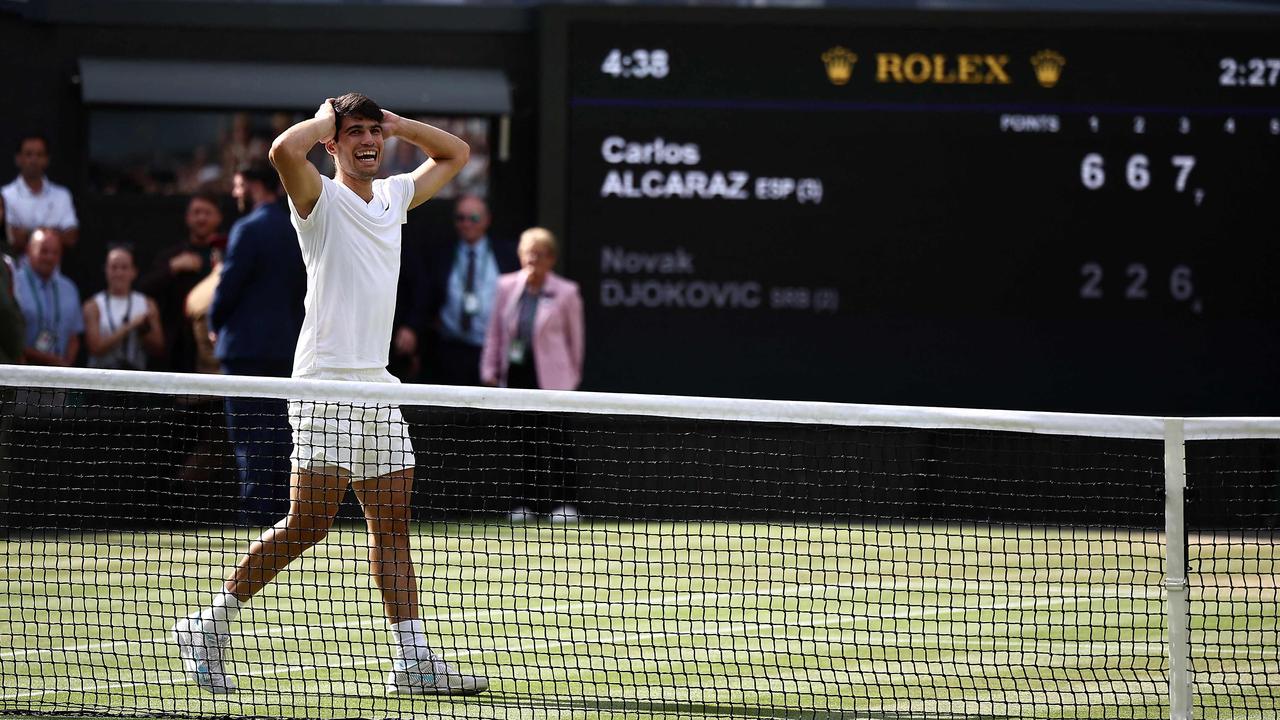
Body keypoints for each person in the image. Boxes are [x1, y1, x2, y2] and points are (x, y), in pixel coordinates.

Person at [172, 93, 484, 696]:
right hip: (324, 381)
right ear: (333, 145)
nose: (369, 141)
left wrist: (392, 124)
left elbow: (457, 152)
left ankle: (413, 659)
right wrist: (328, 120)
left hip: (377, 384)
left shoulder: (395, 196)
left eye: (375, 133)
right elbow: (283, 149)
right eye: (355, 134)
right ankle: (207, 624)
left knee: (391, 523)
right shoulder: (315, 198)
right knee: (308, 523)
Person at [210, 161, 306, 525]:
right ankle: (283, 512)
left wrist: (215, 321)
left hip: (247, 351)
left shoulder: (248, 229)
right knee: (281, 432)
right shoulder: (293, 228)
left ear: (253, 185)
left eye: (238, 185)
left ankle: (255, 511)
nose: (235, 193)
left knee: (251, 434)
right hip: (286, 349)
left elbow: (229, 284)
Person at [480, 227, 584, 522]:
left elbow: (576, 342)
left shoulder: (566, 292)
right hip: (518, 377)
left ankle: (565, 504)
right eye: (527, 255)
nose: (532, 262)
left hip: (554, 383)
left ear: (551, 259)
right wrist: (490, 369)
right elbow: (495, 334)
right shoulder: (506, 287)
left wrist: (571, 379)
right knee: (524, 443)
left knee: (558, 442)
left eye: (538, 256)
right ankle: (527, 503)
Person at [425, 195, 517, 385]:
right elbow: (426, 297)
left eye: (474, 218)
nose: (467, 224)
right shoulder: (440, 254)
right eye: (461, 218)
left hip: (491, 352)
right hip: (450, 350)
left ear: (487, 220)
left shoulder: (507, 255)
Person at [139, 191, 225, 372]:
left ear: (218, 218)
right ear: (187, 218)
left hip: (218, 346)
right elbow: (143, 289)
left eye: (207, 213)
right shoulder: (172, 256)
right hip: (179, 352)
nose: (201, 218)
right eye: (196, 212)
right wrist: (173, 267)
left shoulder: (230, 254)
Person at [82, 245, 163, 370]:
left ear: (133, 272)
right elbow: (95, 348)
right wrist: (129, 327)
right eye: (114, 267)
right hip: (101, 377)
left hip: (135, 378)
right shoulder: (93, 305)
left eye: (124, 268)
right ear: (106, 270)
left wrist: (143, 330)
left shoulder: (147, 304)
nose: (119, 273)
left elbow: (158, 348)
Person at [13, 229, 82, 366]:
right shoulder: (14, 283)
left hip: (59, 376)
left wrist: (65, 366)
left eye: (55, 252)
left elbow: (74, 336)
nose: (49, 257)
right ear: (28, 250)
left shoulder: (69, 288)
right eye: (43, 251)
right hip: (21, 373)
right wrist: (48, 360)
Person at [2, 135, 80, 256]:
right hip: (15, 271)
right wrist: (53, 234)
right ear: (18, 159)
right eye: (28, 154)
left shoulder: (62, 195)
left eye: (39, 155)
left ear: (47, 159)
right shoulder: (4, 195)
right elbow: (10, 238)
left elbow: (71, 237)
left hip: (53, 273)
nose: (34, 160)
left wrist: (27, 234)